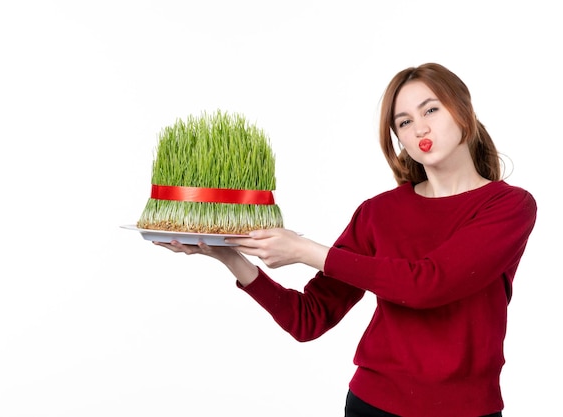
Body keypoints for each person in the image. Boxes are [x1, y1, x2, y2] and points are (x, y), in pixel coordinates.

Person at [153, 63, 537, 417]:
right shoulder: (379, 212)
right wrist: (231, 259)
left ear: (464, 111)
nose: (419, 128)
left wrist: (304, 251)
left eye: (430, 110)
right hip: (372, 405)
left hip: (466, 411)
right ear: (398, 137)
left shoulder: (509, 206)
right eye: (403, 121)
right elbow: (308, 319)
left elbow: (427, 283)